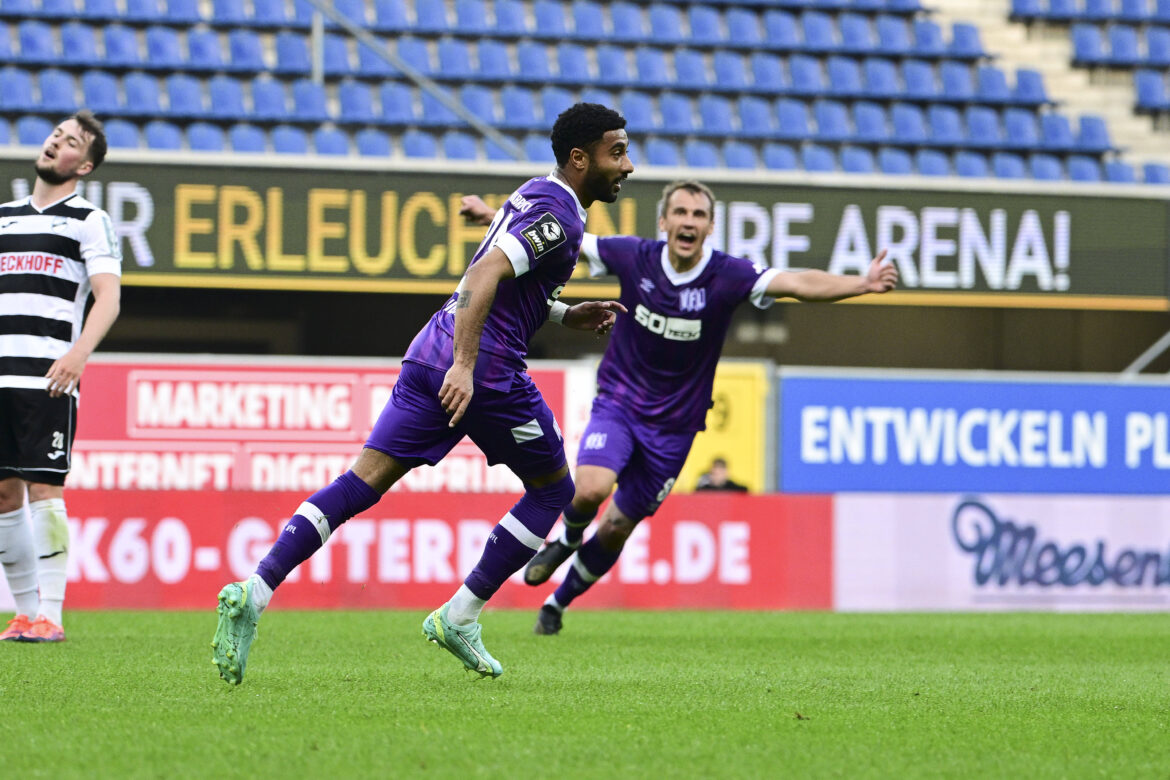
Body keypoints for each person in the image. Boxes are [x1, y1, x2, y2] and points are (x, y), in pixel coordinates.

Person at [211, 103, 634, 684]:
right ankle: (461, 615)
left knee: (360, 481)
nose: (628, 166)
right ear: (580, 158)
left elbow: (509, 285)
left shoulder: (539, 192)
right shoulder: (558, 216)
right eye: (618, 152)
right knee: (553, 489)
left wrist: (561, 312)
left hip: (429, 351)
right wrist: (465, 365)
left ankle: (254, 591)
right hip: (484, 370)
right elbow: (484, 275)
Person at [461, 179, 898, 635]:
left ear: (710, 226)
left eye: (698, 215)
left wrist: (862, 284)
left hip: (675, 428)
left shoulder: (729, 275)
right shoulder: (634, 256)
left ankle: (557, 603)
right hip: (619, 403)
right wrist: (493, 216)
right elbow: (559, 238)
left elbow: (796, 282)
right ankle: (566, 541)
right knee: (589, 489)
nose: (689, 221)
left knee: (614, 529)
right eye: (681, 213)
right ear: (664, 221)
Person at [0, 111, 121, 643]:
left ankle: (52, 612)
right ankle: (24, 614)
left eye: (70, 142)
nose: (56, 143)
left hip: (46, 379)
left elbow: (109, 297)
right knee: (4, 495)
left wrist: (80, 354)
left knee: (45, 489)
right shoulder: (4, 217)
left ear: (84, 164)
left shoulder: (88, 220)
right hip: (1, 378)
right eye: (55, 134)